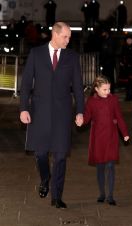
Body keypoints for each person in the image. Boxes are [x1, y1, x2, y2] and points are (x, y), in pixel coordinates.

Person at [19, 22, 84, 209]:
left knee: (61, 156)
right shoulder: (36, 54)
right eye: (65, 37)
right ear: (54, 35)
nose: (68, 40)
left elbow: (78, 87)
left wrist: (80, 111)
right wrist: (24, 108)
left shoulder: (71, 57)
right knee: (40, 153)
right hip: (39, 112)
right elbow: (25, 85)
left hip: (63, 113)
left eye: (69, 37)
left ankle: (57, 196)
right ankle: (45, 177)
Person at [78, 76, 129, 206]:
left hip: (111, 137)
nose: (108, 92)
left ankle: (110, 196)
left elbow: (119, 116)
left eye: (109, 89)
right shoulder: (91, 101)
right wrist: (81, 121)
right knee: (100, 167)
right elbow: (87, 117)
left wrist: (125, 133)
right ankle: (102, 193)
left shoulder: (113, 100)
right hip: (98, 138)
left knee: (111, 166)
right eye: (105, 89)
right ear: (96, 89)